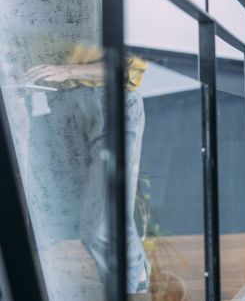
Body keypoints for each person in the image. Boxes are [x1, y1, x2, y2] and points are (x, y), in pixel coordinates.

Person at [25, 44, 151, 293]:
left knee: (101, 225)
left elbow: (130, 70)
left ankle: (128, 287)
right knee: (97, 213)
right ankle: (136, 277)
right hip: (61, 111)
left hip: (109, 106)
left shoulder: (93, 7)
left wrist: (68, 71)